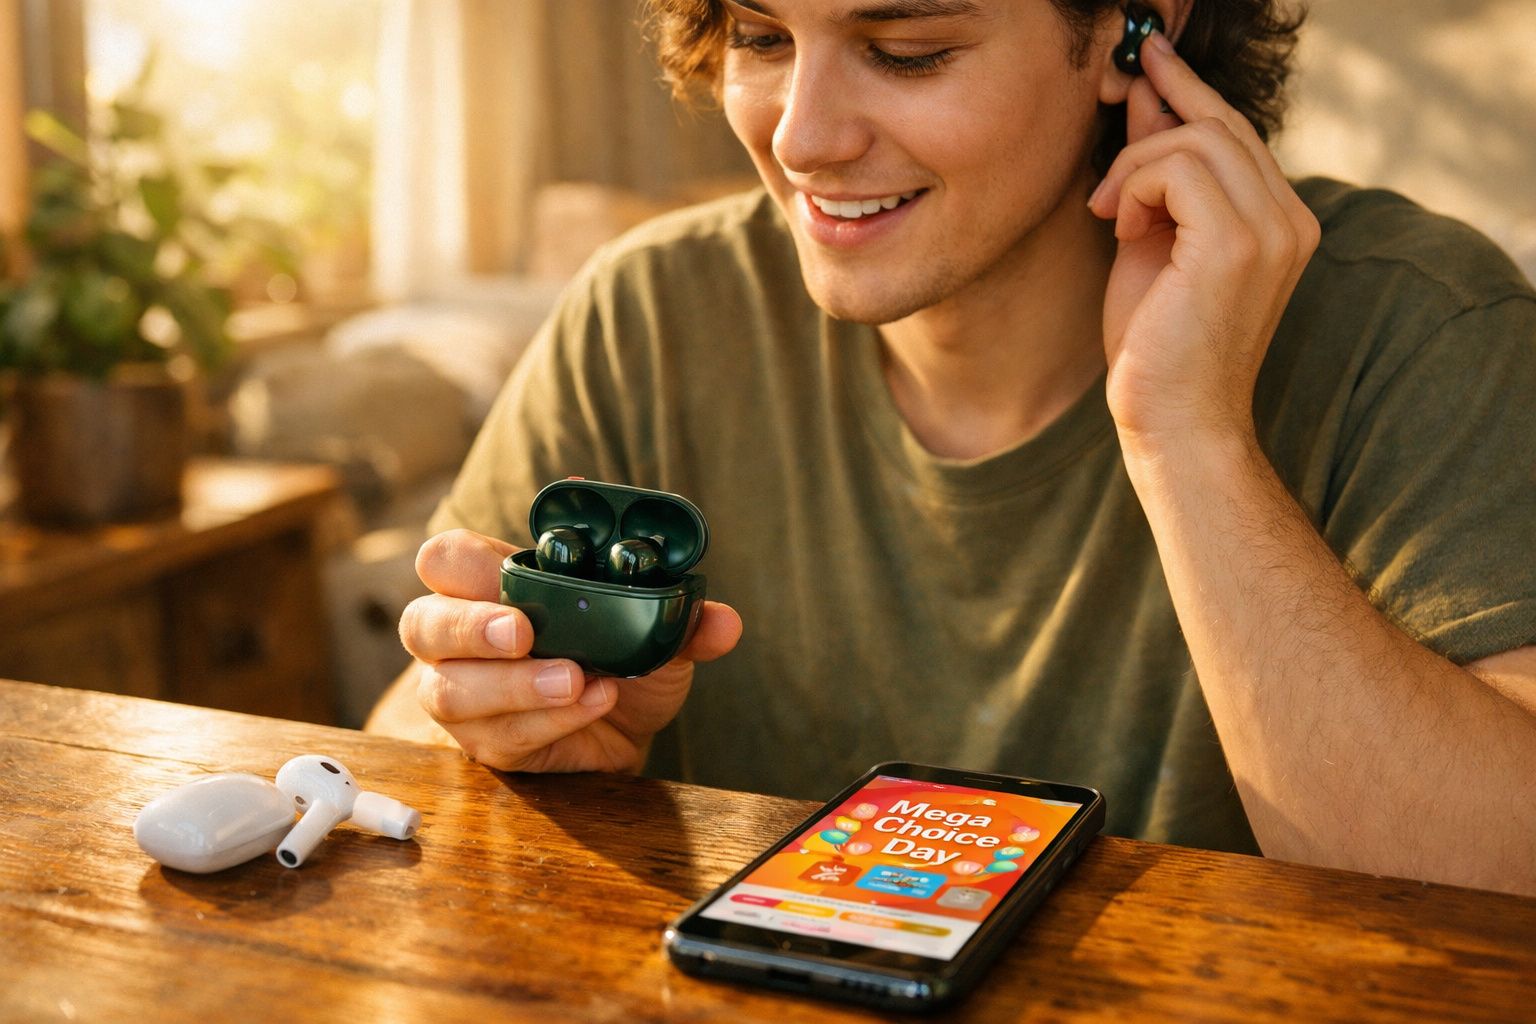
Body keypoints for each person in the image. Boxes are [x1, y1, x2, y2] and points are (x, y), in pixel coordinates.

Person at [368, 0, 1536, 894]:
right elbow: (403, 751)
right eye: (764, 36)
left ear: (1137, 32)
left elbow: (1502, 887)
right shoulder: (652, 313)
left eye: (909, 48)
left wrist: (1188, 435)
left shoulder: (1415, 322)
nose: (804, 138)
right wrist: (515, 730)